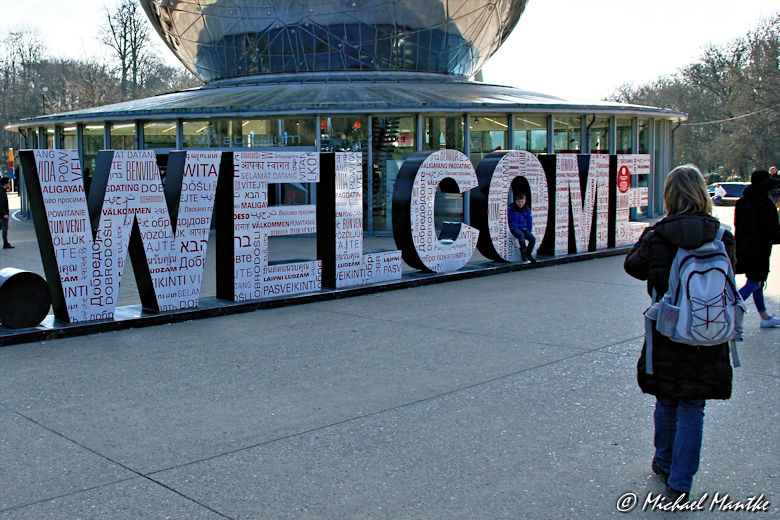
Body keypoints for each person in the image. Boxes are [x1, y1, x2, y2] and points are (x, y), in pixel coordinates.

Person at [624, 164, 735, 499]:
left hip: (668, 329)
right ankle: (681, 483)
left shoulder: (658, 235)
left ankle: (664, 462)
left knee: (667, 398)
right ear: (702, 192)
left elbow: (633, 267)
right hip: (708, 329)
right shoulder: (720, 235)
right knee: (692, 405)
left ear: (669, 195)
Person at [734, 169, 780, 328]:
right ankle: (728, 307)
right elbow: (773, 232)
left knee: (756, 282)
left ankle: (765, 317)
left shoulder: (742, 201)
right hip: (759, 250)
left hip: (741, 247)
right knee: (755, 282)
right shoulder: (765, 204)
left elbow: (737, 225)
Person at [507, 193, 536, 263]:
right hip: (515, 227)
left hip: (524, 228)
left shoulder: (526, 209)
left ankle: (529, 253)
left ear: (525, 201)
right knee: (521, 236)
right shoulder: (511, 208)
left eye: (522, 202)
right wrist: (510, 227)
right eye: (519, 202)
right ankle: (523, 253)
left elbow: (529, 220)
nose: (520, 203)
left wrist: (529, 230)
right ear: (516, 201)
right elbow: (508, 218)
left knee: (532, 238)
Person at [0, 177, 13, 249]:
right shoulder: (2, 192)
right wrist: (4, 214)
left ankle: (6, 242)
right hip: (2, 214)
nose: (9, 184)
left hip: (2, 213)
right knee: (5, 228)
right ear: (6, 183)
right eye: (8, 182)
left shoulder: (2, 191)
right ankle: (5, 243)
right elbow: (2, 204)